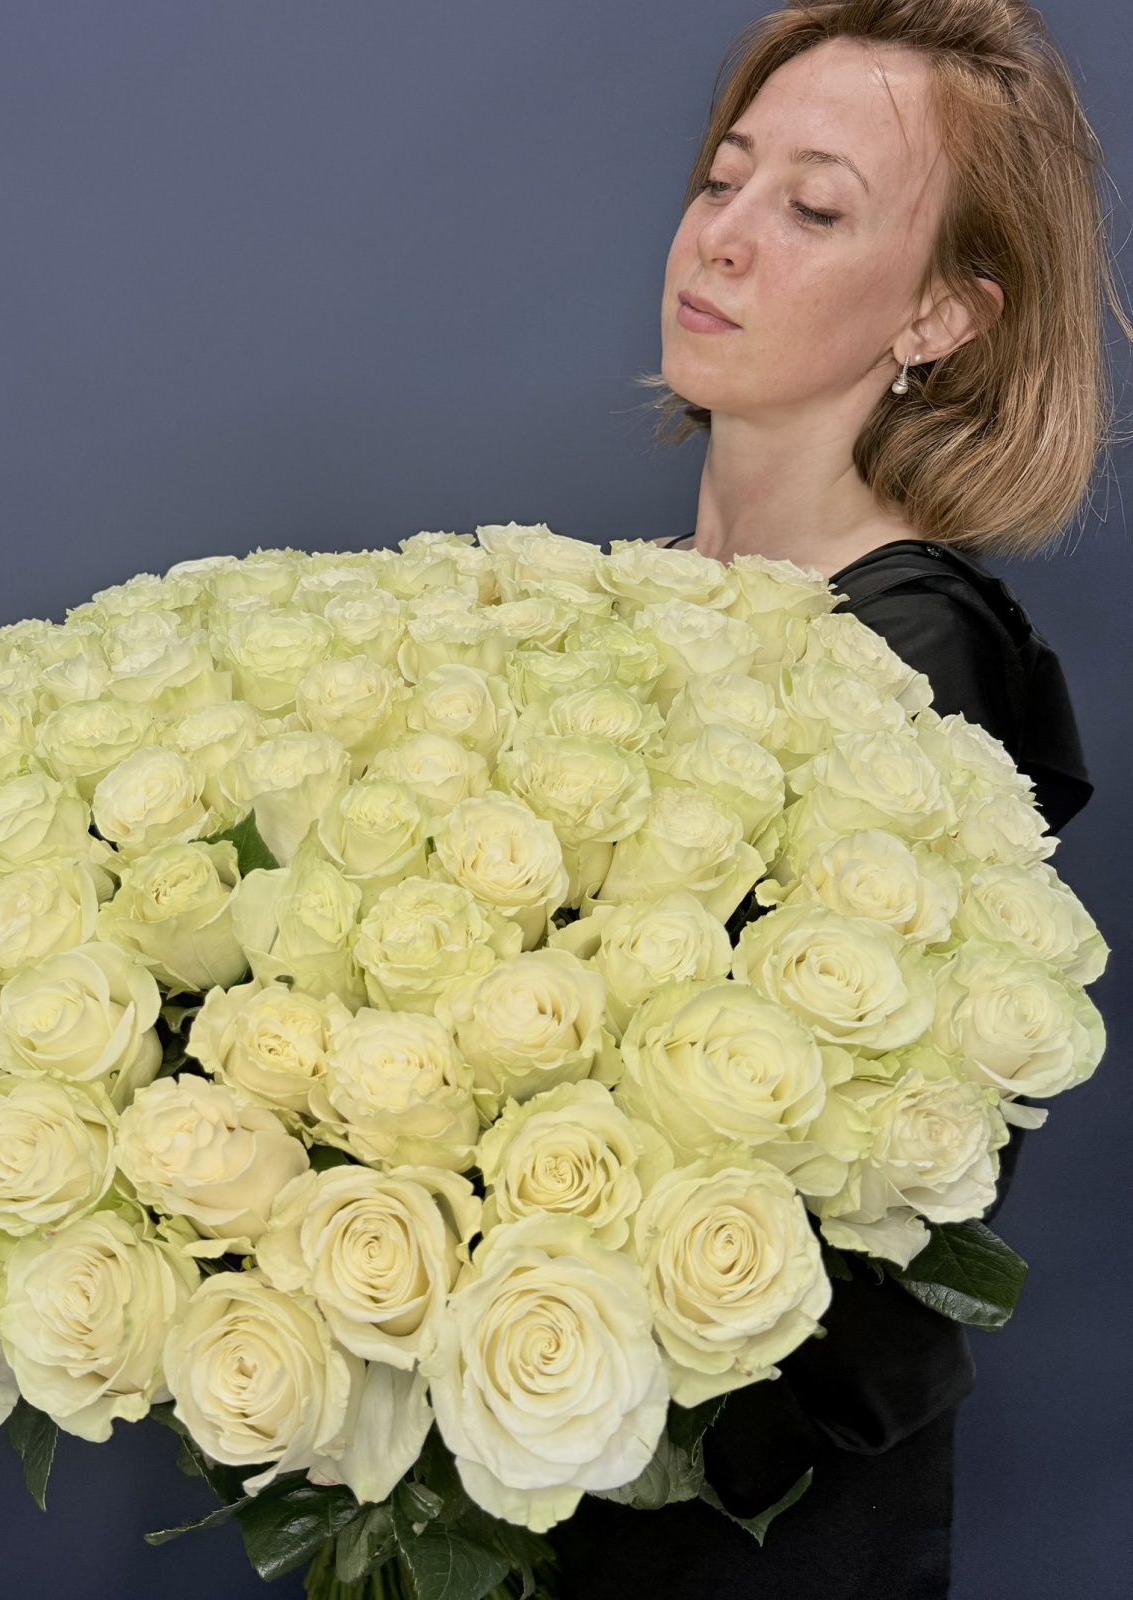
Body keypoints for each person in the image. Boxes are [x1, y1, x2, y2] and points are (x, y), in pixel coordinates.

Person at [551, 2, 1122, 1595]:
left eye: (813, 209)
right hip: (540, 1433)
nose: (722, 238)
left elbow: (848, 1174)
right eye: (723, 178)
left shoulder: (913, 658)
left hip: (744, 1503)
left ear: (940, 315)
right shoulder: (595, 601)